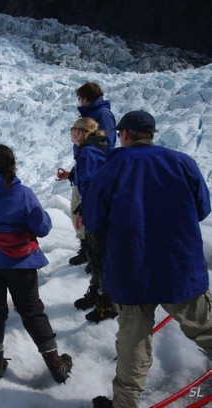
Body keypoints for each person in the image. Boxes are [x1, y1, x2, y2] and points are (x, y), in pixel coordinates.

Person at [83, 111, 212, 408]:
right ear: (150, 133)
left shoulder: (111, 169)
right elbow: (202, 209)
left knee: (133, 340)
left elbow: (93, 220)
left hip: (131, 271)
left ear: (125, 134)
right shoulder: (183, 163)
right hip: (179, 266)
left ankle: (126, 403)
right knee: (205, 326)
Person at [0, 144, 73, 384]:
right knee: (31, 310)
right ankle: (55, 365)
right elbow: (43, 227)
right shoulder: (24, 194)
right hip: (21, 262)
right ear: (13, 165)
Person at [57, 82, 116, 266]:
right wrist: (73, 174)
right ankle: (88, 250)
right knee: (80, 212)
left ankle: (93, 254)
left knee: (87, 213)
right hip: (86, 170)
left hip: (94, 175)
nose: (79, 102)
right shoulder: (93, 117)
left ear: (87, 98)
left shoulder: (102, 115)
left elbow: (104, 148)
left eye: (80, 98)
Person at [67, 117, 118, 323]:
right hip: (103, 210)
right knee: (98, 257)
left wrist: (83, 211)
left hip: (97, 213)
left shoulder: (87, 153)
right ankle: (98, 295)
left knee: (99, 258)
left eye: (74, 129)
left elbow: (90, 186)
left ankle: (107, 304)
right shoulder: (98, 149)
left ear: (81, 132)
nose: (71, 132)